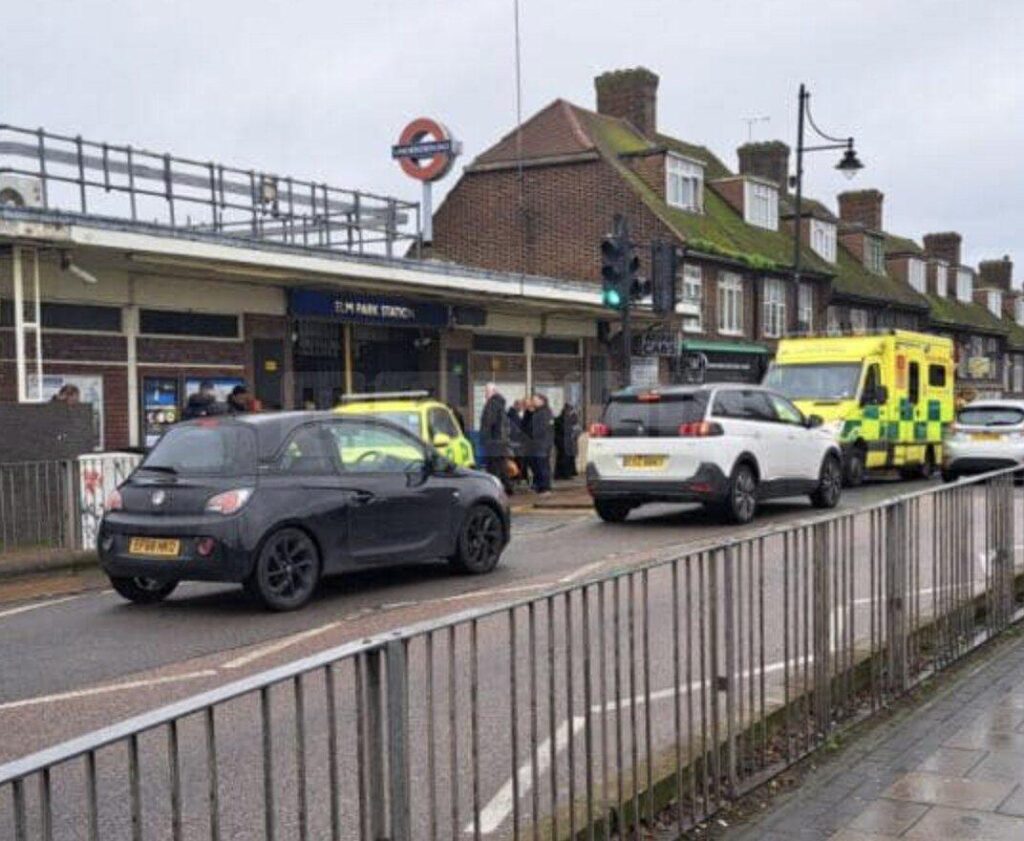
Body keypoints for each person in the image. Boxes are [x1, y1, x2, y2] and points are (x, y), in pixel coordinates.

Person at [478, 383, 511, 490]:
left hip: (493, 442)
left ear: (494, 392)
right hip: (501, 442)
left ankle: (495, 489)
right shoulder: (500, 404)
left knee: (494, 468)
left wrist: (484, 439)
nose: (485, 394)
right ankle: (507, 487)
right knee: (501, 466)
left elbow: (488, 423)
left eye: (487, 392)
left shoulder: (491, 404)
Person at [527, 393, 554, 494]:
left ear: (541, 401)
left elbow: (542, 429)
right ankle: (539, 486)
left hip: (542, 444)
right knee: (536, 466)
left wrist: (534, 436)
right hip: (536, 444)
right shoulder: (537, 412)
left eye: (535, 400)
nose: (533, 401)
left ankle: (546, 488)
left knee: (542, 466)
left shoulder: (545, 412)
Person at [554, 402, 581, 480]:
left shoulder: (564, 418)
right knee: (563, 458)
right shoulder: (562, 419)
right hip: (562, 441)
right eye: (569, 410)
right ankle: (564, 474)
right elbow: (565, 429)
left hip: (563, 441)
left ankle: (562, 474)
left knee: (563, 458)